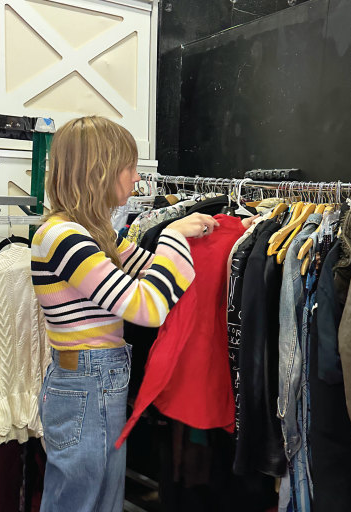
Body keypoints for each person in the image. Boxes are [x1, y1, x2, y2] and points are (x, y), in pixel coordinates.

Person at [31, 116, 221, 511]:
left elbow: (145, 266)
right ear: (99, 171)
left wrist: (198, 238)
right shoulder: (62, 236)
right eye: (130, 167)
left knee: (99, 499)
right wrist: (171, 234)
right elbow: (146, 306)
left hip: (95, 379)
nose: (136, 178)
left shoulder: (89, 230)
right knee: (81, 501)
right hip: (85, 382)